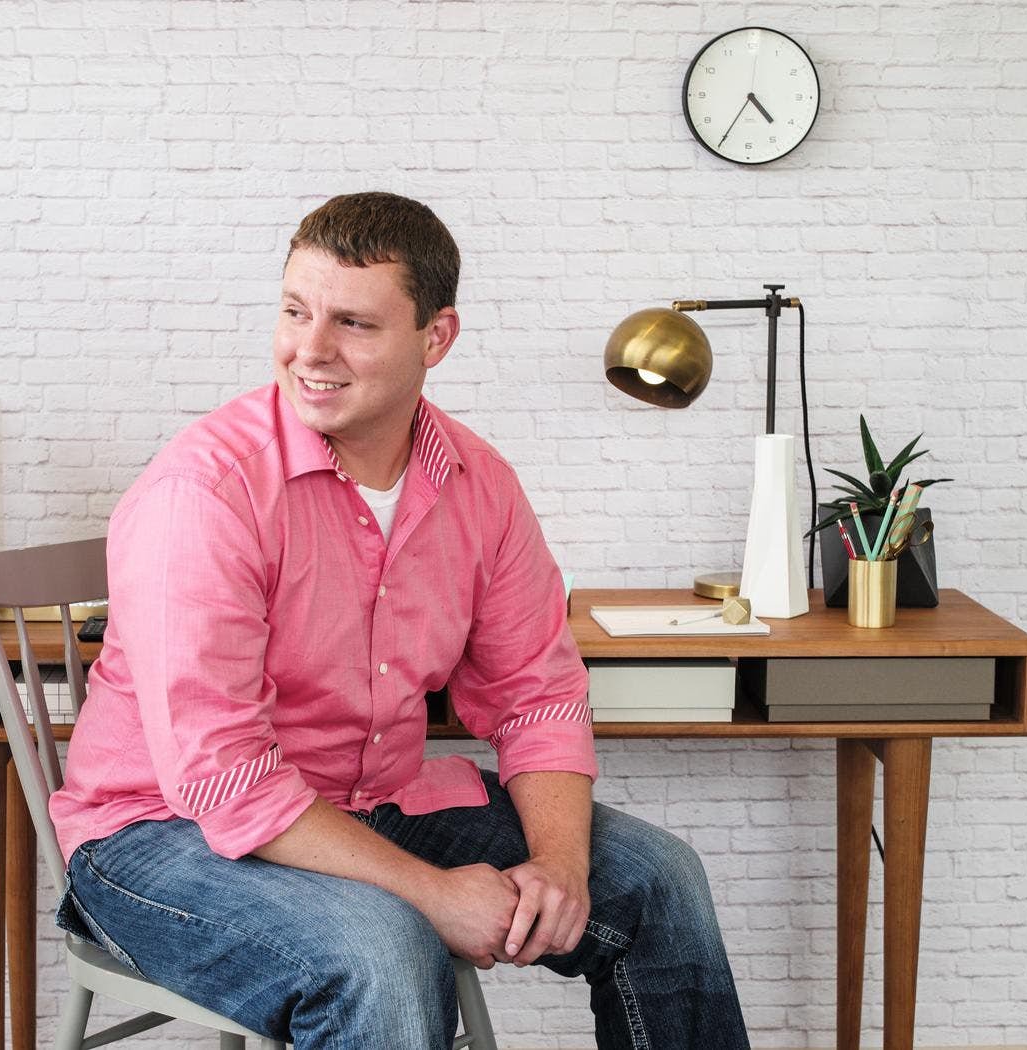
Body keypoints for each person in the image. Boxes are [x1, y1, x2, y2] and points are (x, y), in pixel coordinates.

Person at [49, 191, 750, 1049]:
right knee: (384, 947)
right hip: (160, 833)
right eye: (295, 311)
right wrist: (433, 892)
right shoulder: (203, 494)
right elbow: (222, 774)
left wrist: (559, 868)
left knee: (658, 881)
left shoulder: (479, 485)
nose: (309, 351)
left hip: (371, 798)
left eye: (353, 323)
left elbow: (535, 694)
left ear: (436, 338)